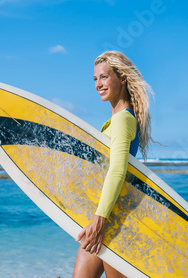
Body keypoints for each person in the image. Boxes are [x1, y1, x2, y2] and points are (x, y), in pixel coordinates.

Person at [72, 51, 154, 278]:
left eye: (104, 77)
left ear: (122, 78)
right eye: (95, 79)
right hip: (103, 219)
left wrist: (100, 222)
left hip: (112, 223)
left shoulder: (122, 120)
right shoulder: (119, 120)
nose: (98, 84)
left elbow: (117, 171)